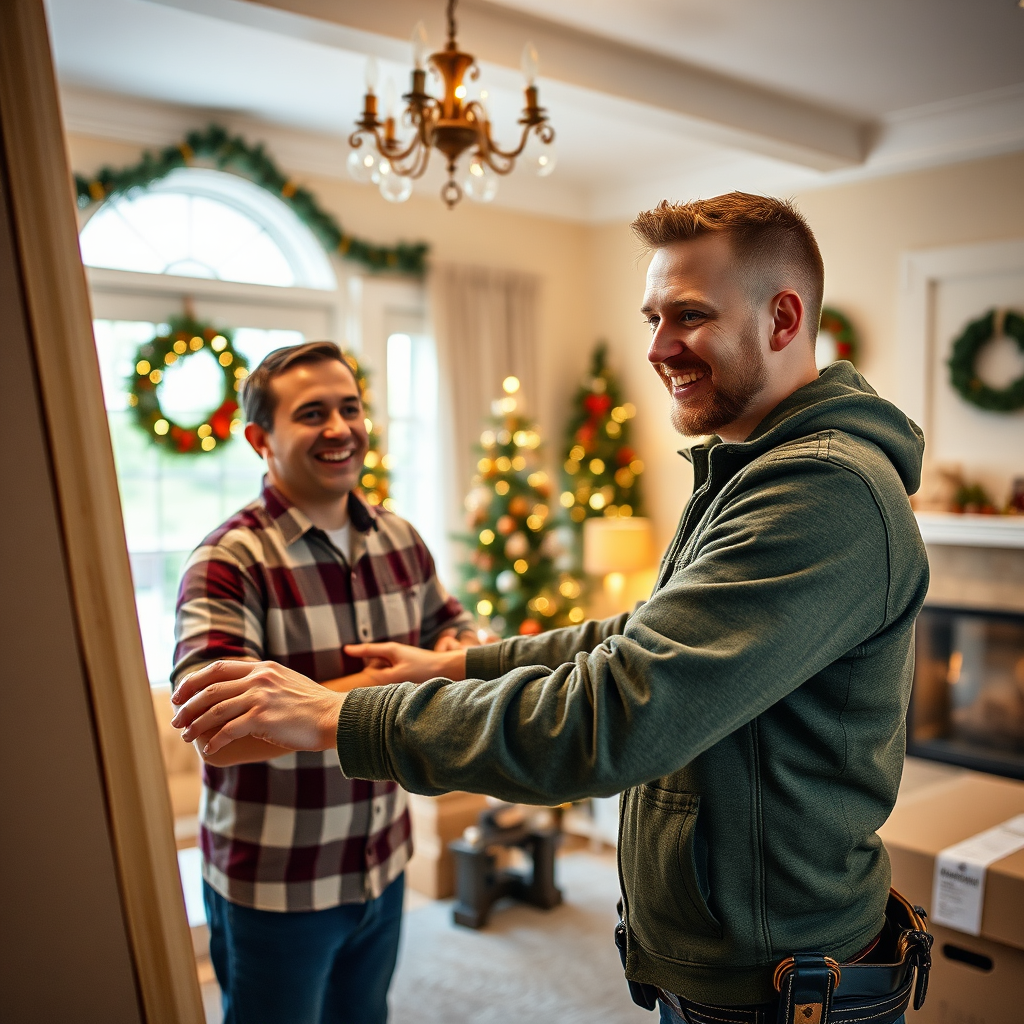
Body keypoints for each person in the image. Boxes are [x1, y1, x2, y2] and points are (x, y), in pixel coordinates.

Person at [172, 195, 931, 1024]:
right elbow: (635, 639)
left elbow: (616, 712)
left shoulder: (820, 491)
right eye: (653, 317)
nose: (658, 347)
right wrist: (457, 664)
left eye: (689, 316)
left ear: (783, 317)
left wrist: (339, 716)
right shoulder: (747, 471)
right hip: (284, 876)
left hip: (781, 978)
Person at [171, 340, 478, 1024]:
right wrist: (379, 687)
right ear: (261, 439)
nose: (340, 428)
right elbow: (215, 737)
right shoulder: (227, 562)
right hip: (277, 884)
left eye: (350, 407)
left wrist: (462, 646)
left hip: (382, 858)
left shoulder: (401, 539)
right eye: (313, 413)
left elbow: (453, 631)